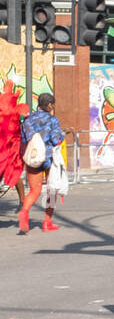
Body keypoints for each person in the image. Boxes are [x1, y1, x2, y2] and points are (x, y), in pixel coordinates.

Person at [18, 92, 65, 234]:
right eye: (53, 105)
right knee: (52, 189)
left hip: (33, 158)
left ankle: (24, 211)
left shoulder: (28, 120)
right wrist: (63, 135)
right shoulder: (52, 120)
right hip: (49, 159)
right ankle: (47, 222)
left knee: (35, 190)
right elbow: (56, 139)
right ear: (50, 105)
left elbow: (24, 139)